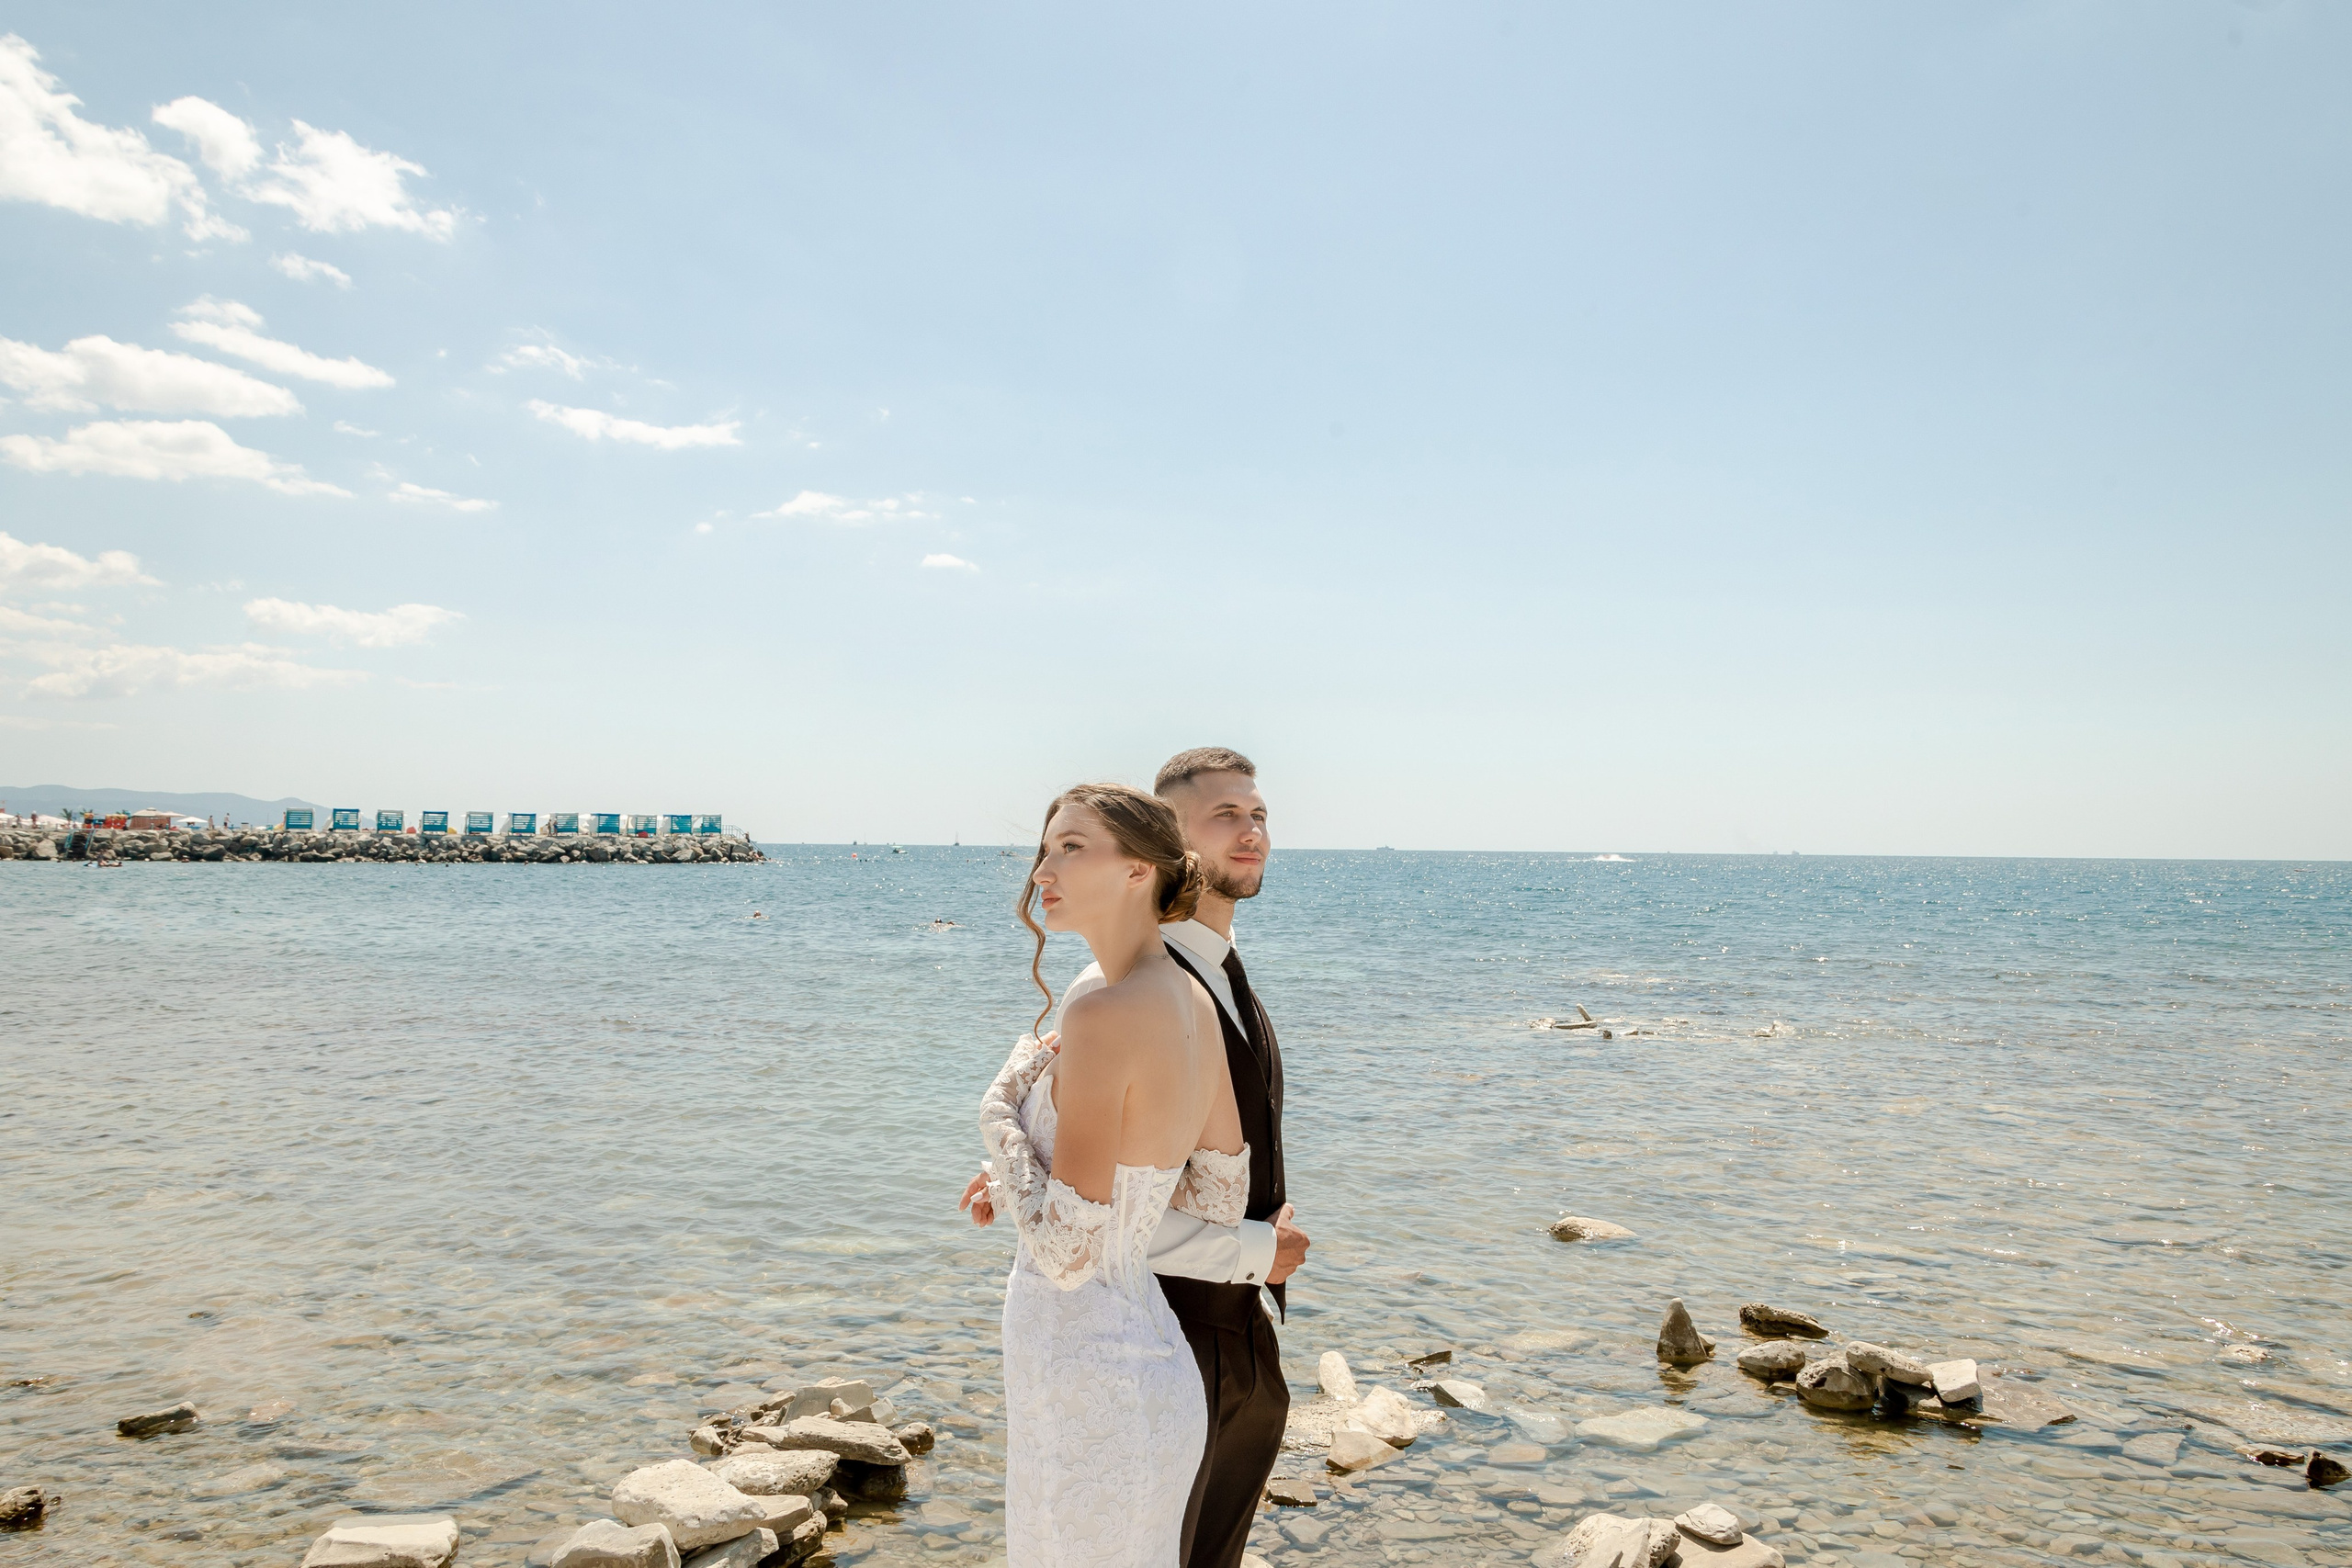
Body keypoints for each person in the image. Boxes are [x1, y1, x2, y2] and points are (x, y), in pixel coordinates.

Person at [964, 747, 1303, 1568]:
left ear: (1141, 861)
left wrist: (999, 1112)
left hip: (1158, 1348)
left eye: (1257, 813)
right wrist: (1253, 1249)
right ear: (1170, 838)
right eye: (1227, 814)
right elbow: (1208, 1185)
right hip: (1173, 1341)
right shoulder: (1163, 986)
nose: (1250, 831)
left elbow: (1083, 1239)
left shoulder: (1152, 990)